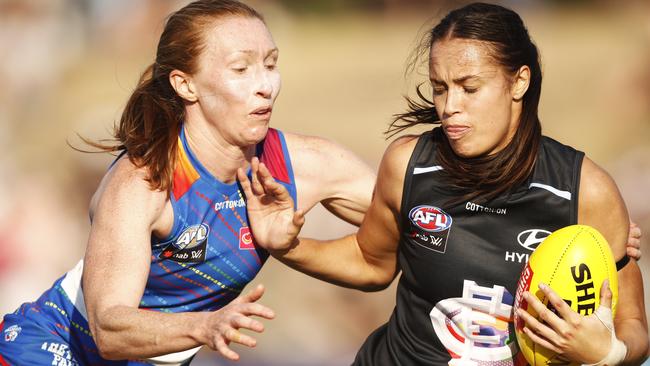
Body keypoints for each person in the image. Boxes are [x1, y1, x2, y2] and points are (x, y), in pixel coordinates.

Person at [239, 2, 649, 365]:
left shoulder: (585, 190)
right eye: (440, 88)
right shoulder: (409, 164)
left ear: (519, 82)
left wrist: (607, 353)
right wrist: (286, 246)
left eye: (470, 88)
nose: (450, 107)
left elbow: (632, 326)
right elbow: (371, 262)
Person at [0, 1, 375, 365]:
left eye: (271, 64)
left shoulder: (303, 165)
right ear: (185, 85)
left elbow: (413, 216)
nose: (265, 85)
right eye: (241, 69)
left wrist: (292, 247)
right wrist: (206, 325)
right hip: (48, 349)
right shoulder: (142, 181)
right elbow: (107, 329)